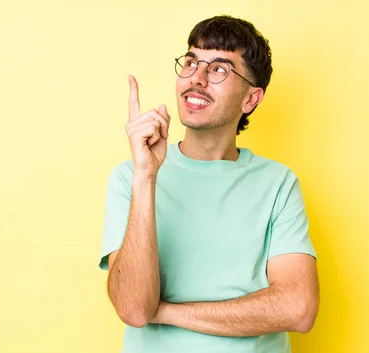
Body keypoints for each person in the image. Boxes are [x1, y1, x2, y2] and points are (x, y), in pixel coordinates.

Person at [99, 15, 319, 353]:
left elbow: (297, 308)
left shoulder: (278, 184)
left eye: (219, 69)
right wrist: (147, 177)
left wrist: (166, 311)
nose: (196, 79)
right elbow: (133, 308)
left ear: (250, 99)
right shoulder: (131, 176)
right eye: (191, 62)